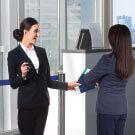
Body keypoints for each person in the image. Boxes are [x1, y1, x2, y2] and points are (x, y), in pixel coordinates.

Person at [7, 17, 79, 135]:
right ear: (26, 32)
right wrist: (23, 75)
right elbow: (13, 84)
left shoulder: (41, 51)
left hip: (42, 105)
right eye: (35, 31)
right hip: (26, 107)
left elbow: (48, 81)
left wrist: (67, 86)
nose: (38, 34)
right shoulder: (13, 55)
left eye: (38, 31)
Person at [77, 24, 135, 135]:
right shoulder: (130, 61)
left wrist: (96, 78)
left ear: (114, 41)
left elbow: (88, 79)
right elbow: (115, 78)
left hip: (107, 110)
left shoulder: (107, 59)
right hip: (122, 109)